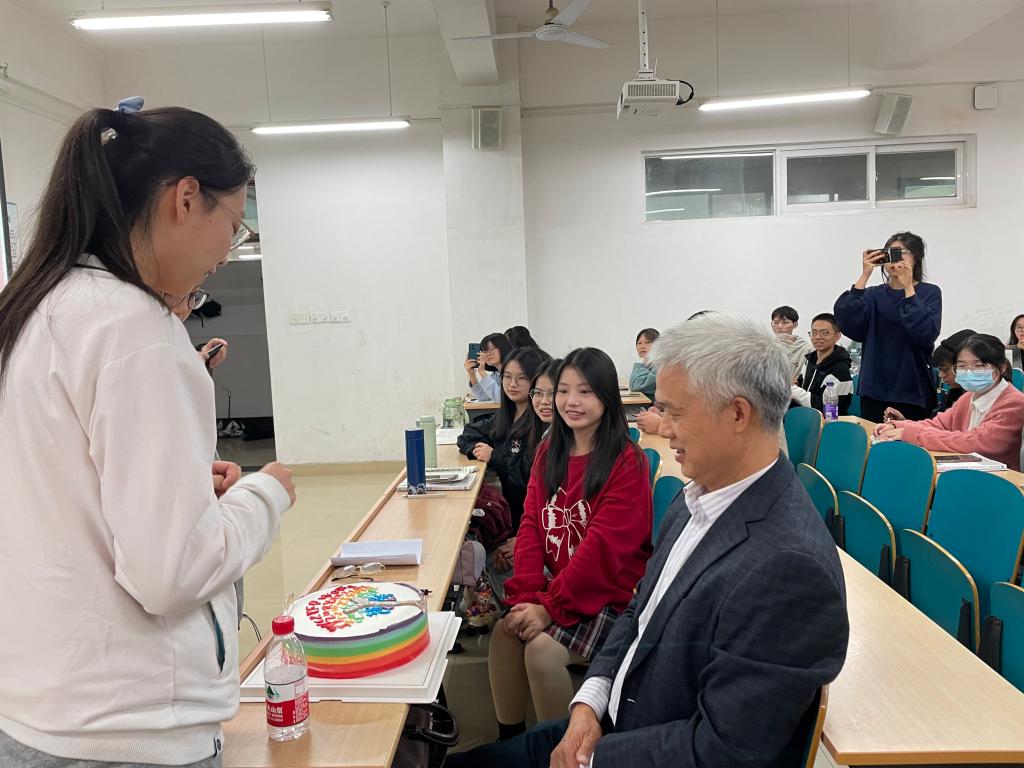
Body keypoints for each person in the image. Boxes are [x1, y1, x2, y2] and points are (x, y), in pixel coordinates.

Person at [0, 101, 296, 766]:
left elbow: (64, 499)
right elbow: (172, 572)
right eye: (234, 224)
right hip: (129, 727)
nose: (228, 253)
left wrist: (183, 491)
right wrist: (265, 496)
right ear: (185, 200)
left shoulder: (33, 310)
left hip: (34, 712)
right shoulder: (135, 331)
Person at [450, 313, 848, 768]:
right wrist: (589, 701)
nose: (663, 427)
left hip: (638, 746)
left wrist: (592, 757)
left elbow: (723, 751)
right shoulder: (696, 499)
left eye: (674, 412)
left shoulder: (788, 567)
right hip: (611, 716)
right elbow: (641, 613)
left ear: (738, 413)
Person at [484, 347, 653, 738]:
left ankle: (561, 752)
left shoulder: (626, 460)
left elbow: (602, 553)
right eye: (563, 390)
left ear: (606, 396)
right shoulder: (550, 450)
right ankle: (511, 740)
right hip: (562, 589)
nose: (571, 401)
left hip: (612, 596)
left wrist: (549, 607)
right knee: (505, 633)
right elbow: (531, 524)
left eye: (585, 391)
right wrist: (528, 596)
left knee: (541, 652)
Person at [834, 232, 942, 423]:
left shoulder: (929, 292)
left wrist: (908, 288)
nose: (897, 259)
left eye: (903, 252)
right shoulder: (873, 295)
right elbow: (847, 320)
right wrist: (865, 274)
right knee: (875, 438)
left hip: (913, 387)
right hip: (874, 387)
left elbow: (924, 334)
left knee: (910, 439)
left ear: (916, 258)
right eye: (891, 253)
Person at [875, 333, 1024, 471]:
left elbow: (975, 442)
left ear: (1002, 367)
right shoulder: (968, 397)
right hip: (967, 473)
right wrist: (898, 426)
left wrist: (912, 434)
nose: (969, 371)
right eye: (962, 366)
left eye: (978, 365)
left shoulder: (1014, 403)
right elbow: (938, 424)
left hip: (1002, 481)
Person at [457, 346, 552, 529]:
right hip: (511, 514)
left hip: (533, 518)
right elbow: (467, 436)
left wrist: (495, 456)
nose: (512, 384)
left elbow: (529, 475)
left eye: (521, 378)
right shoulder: (506, 415)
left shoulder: (543, 420)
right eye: (507, 377)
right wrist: (479, 449)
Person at [491, 357, 562, 596]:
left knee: (496, 568)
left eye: (552, 393)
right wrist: (523, 538)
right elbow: (537, 509)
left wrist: (523, 542)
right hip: (540, 535)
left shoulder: (569, 446)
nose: (543, 401)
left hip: (559, 551)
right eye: (538, 393)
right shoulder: (546, 439)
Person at [885, 328, 976, 420]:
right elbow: (935, 426)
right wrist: (903, 423)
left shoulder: (977, 403)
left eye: (944, 369)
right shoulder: (950, 398)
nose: (941, 375)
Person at [790, 313, 852, 416]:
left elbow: (829, 409)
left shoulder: (840, 369)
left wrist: (795, 392)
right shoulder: (810, 360)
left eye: (825, 333)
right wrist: (795, 385)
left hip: (829, 422)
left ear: (837, 336)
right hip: (805, 417)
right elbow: (801, 383)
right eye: (814, 332)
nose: (818, 337)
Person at [465, 332, 513, 402]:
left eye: (491, 349)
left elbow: (501, 399)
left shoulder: (513, 371)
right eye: (485, 351)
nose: (488, 354)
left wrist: (482, 372)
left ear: (503, 348)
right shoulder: (496, 374)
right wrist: (472, 374)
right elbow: (483, 397)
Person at [771, 305, 812, 380]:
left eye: (785, 322)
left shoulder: (806, 349)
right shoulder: (764, 347)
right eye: (776, 322)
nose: (779, 326)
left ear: (795, 325)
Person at [628, 328, 660, 399]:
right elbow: (632, 385)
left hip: (654, 404)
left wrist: (644, 363)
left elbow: (636, 387)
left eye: (647, 342)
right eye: (639, 343)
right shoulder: (649, 363)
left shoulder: (659, 365)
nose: (642, 347)